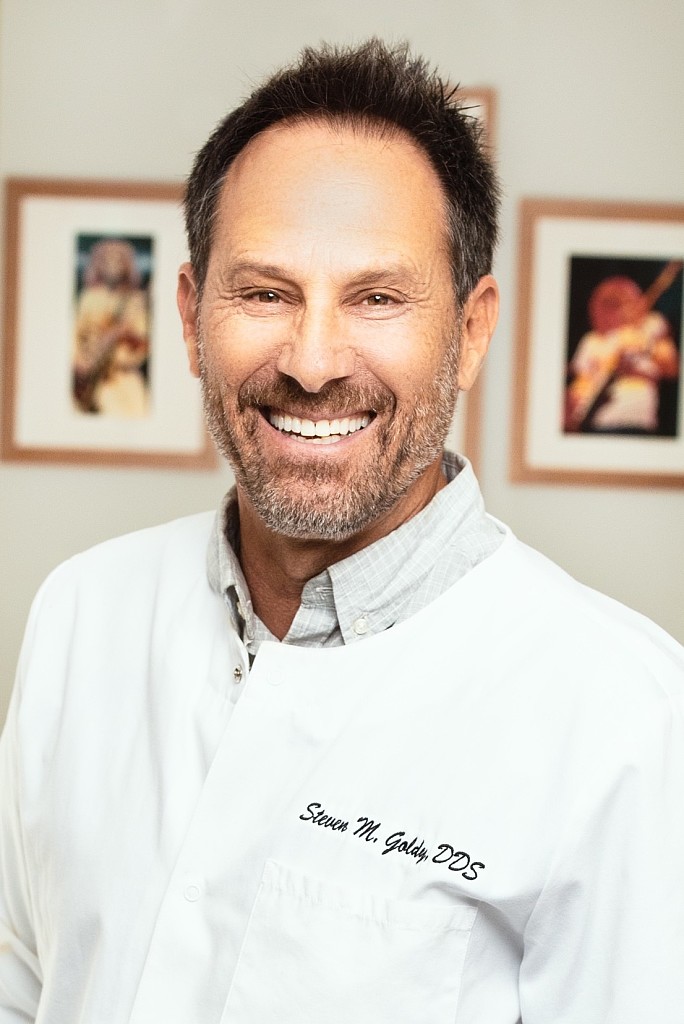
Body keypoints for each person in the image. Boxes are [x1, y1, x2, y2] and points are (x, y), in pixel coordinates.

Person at [1, 39, 682, 1024]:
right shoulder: (82, 610)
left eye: (378, 298)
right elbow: (25, 980)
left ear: (471, 332)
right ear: (190, 318)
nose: (313, 362)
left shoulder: (627, 717)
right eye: (265, 293)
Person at [564, 270, 680, 434]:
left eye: (626, 303)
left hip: (636, 425)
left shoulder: (651, 328)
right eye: (607, 305)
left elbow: (672, 369)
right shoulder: (591, 340)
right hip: (596, 424)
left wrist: (645, 348)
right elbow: (581, 380)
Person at [72, 237, 151, 417]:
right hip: (90, 377)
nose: (112, 264)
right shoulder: (89, 297)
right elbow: (75, 335)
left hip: (124, 380)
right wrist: (81, 364)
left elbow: (143, 342)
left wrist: (124, 335)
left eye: (118, 259)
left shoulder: (136, 300)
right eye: (106, 259)